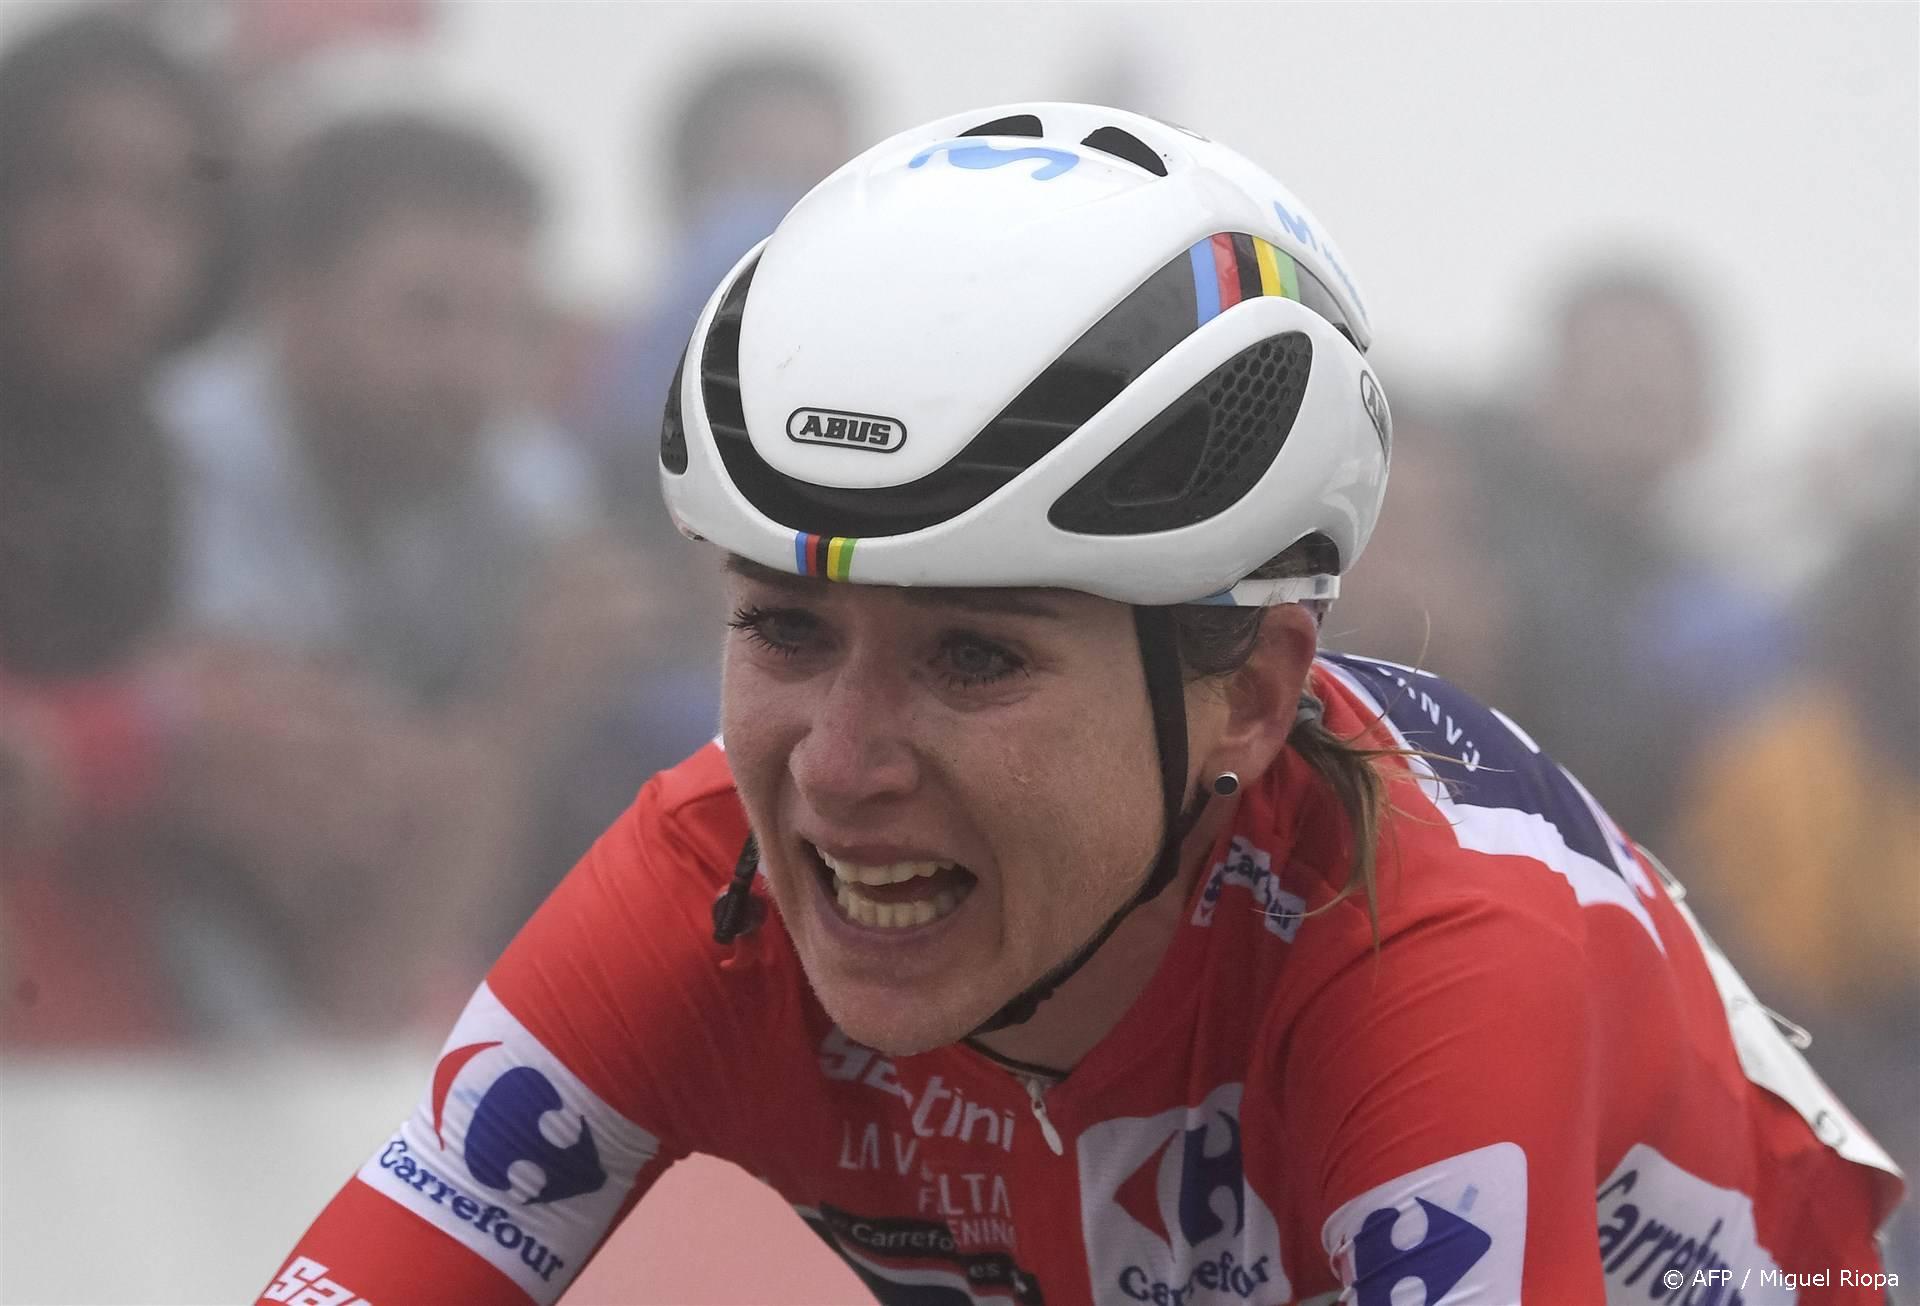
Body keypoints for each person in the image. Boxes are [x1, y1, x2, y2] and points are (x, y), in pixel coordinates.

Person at [259, 104, 1902, 1304]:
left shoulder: (1431, 946)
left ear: (1253, 693)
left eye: (975, 658)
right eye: (784, 631)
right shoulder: (709, 893)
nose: (836, 768)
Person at [157, 113, 664, 1032]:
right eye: (428, 312)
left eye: (506, 322)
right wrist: (521, 708)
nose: (472, 368)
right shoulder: (175, 466)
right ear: (290, 299)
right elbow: (321, 848)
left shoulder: (506, 475)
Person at [0, 11, 238, 1045]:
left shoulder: (157, 467)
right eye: (61, 183)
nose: (108, 241)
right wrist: (152, 733)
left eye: (160, 206)